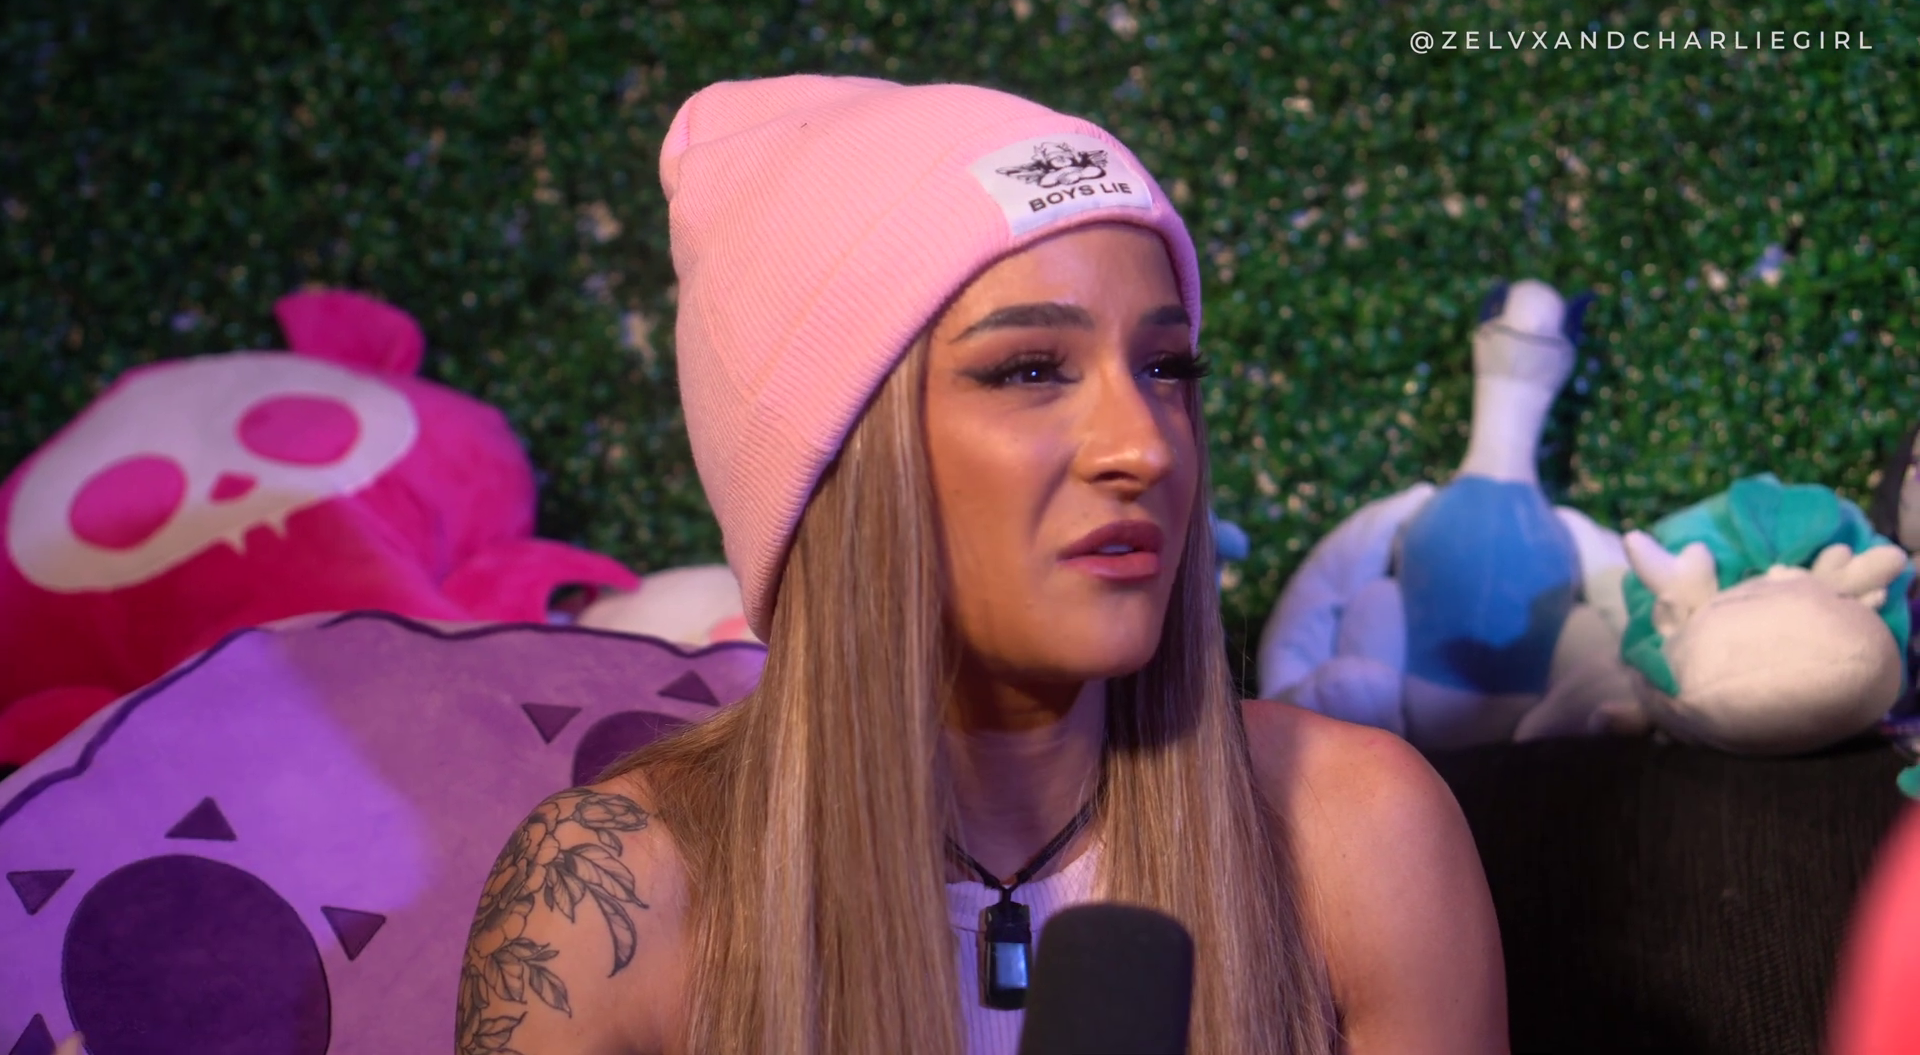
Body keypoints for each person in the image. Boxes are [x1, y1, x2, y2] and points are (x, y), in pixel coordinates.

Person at [456, 75, 1507, 1055]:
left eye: (1166, 367)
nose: (1142, 447)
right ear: (838, 463)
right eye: (1030, 370)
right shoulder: (602, 901)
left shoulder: (1358, 833)